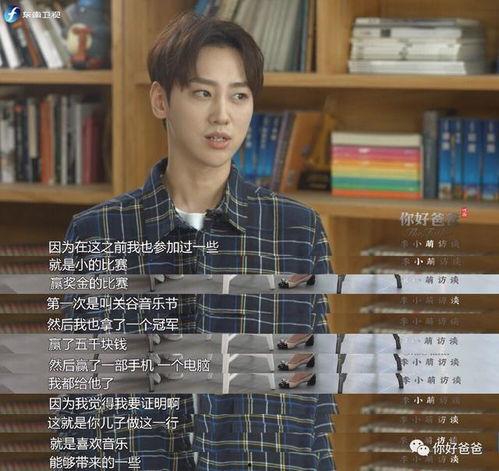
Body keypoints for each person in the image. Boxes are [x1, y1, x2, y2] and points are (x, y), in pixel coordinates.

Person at [62, 11, 336, 470]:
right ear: (161, 100)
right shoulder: (98, 233)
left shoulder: (296, 230)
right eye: (202, 93)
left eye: (239, 95)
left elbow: (313, 407)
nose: (222, 115)